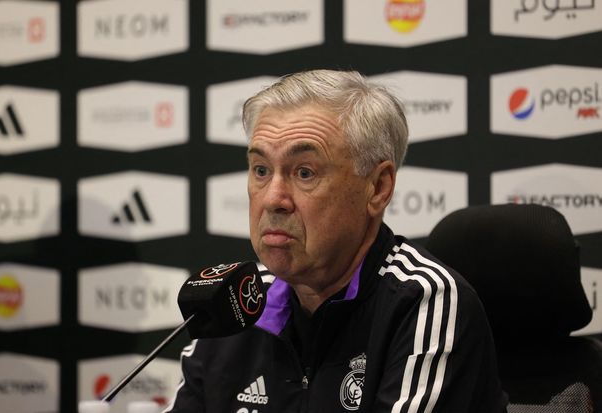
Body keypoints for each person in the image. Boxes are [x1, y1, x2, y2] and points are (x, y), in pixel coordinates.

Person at [164, 70, 508, 412]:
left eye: (305, 172)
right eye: (261, 170)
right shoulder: (236, 303)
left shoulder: (422, 303)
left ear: (378, 187)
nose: (272, 199)